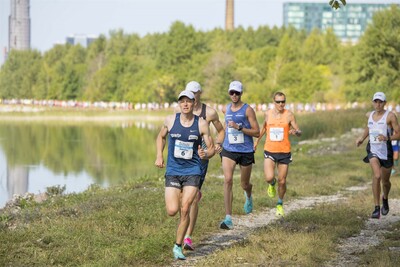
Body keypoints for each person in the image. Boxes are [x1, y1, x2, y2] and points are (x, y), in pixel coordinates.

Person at [155, 90, 215, 260]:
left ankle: (178, 246)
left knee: (185, 208)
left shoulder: (201, 123)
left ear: (193, 103)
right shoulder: (170, 120)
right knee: (172, 210)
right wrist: (159, 154)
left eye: (189, 101)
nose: (185, 104)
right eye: (182, 101)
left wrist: (207, 154)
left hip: (193, 171)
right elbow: (160, 137)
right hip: (173, 171)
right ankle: (181, 197)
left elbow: (210, 148)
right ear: (179, 104)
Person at [178, 81, 225, 250]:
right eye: (190, 93)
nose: (193, 96)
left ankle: (188, 237)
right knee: (182, 198)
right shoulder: (180, 110)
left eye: (195, 93)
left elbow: (221, 130)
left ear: (200, 93)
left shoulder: (210, 112)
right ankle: (184, 227)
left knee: (191, 199)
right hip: (183, 158)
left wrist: (218, 144)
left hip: (201, 158)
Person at [254, 92, 302, 217]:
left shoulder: (289, 114)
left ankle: (280, 204)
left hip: (284, 151)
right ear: (273, 102)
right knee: (269, 177)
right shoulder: (267, 114)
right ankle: (271, 184)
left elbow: (298, 130)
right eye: (278, 102)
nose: (281, 104)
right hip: (270, 149)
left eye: (283, 101)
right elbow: (263, 128)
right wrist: (256, 142)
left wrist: (296, 132)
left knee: (282, 181)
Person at [219, 81, 260, 230]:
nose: (234, 95)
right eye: (232, 93)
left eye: (237, 93)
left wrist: (240, 127)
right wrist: (219, 142)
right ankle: (228, 218)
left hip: (245, 151)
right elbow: (225, 127)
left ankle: (248, 195)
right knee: (228, 180)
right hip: (229, 149)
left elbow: (257, 131)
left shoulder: (248, 110)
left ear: (241, 93)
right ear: (229, 93)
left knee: (244, 184)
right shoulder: (226, 109)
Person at [356, 92, 400, 219]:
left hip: (386, 152)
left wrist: (387, 137)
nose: (378, 104)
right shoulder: (370, 115)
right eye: (376, 101)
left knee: (386, 182)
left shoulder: (390, 116)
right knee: (377, 175)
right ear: (373, 102)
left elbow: (399, 134)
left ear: (384, 103)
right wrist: (361, 138)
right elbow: (369, 128)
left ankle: (385, 198)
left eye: (380, 102)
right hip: (373, 149)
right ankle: (376, 208)